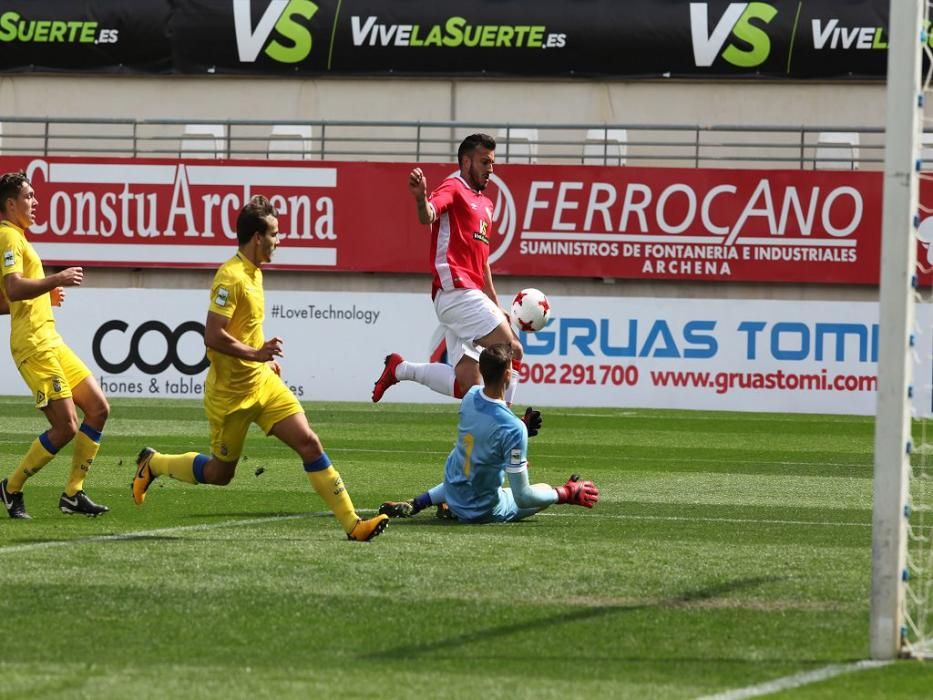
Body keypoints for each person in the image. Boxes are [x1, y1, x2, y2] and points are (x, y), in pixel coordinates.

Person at [132, 195, 388, 542]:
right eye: (274, 234)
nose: (278, 241)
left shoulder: (255, 274)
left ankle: (354, 525)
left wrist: (265, 360)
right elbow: (212, 335)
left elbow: (246, 327)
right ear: (256, 237)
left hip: (262, 384)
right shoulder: (230, 277)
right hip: (229, 397)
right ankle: (155, 463)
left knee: (310, 443)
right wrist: (255, 354)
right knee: (220, 474)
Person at [371, 133, 524, 405]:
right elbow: (428, 214)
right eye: (485, 162)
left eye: (492, 163)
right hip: (455, 291)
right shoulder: (453, 187)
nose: (491, 169)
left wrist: (495, 303)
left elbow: (482, 261)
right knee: (512, 348)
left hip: (469, 295)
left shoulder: (486, 205)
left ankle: (399, 368)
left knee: (468, 383)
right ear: (466, 162)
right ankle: (508, 422)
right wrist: (420, 199)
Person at [379, 344, 599, 524]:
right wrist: (565, 493)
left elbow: (486, 433)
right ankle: (452, 508)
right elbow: (523, 497)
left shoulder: (470, 397)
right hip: (480, 511)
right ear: (507, 374)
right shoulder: (513, 429)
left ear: (482, 371)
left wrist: (519, 427)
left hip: (455, 489)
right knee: (541, 490)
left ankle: (420, 502)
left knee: (468, 460)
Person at [0, 170, 110, 519]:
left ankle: (73, 494)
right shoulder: (7, 238)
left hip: (50, 338)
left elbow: (7, 300)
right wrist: (55, 279)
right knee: (66, 426)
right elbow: (15, 288)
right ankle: (11, 487)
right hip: (33, 345)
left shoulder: (18, 238)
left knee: (98, 408)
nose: (35, 202)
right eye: (29, 196)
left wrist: (46, 297)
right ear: (10, 203)